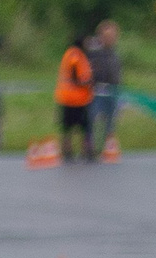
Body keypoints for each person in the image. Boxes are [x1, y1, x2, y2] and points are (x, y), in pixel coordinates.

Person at [56, 32, 96, 162]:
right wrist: (87, 83)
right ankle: (82, 150)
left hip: (72, 98)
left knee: (69, 127)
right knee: (82, 126)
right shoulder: (75, 54)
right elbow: (75, 76)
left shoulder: (75, 53)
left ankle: (71, 150)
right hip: (74, 99)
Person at [87, 19, 123, 158]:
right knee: (92, 121)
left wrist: (119, 91)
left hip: (113, 92)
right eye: (107, 36)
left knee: (110, 122)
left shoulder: (114, 54)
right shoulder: (93, 52)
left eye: (113, 36)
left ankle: (107, 149)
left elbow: (117, 74)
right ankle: (91, 148)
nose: (110, 39)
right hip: (96, 92)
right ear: (101, 36)